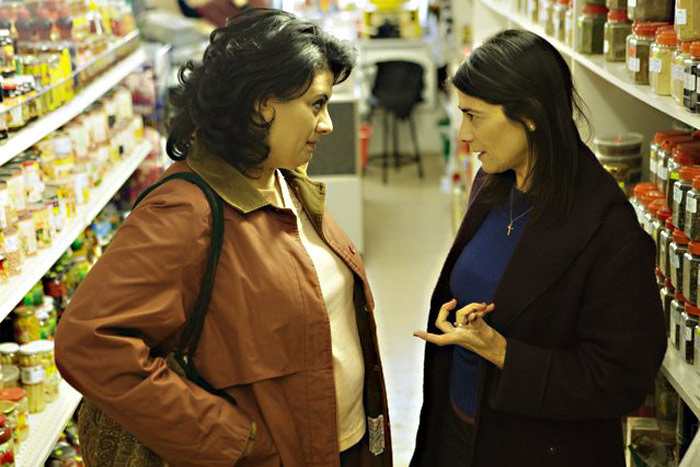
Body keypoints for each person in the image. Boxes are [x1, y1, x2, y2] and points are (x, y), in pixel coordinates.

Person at [55, 9, 391, 467]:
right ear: (259, 104)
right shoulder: (185, 212)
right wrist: (235, 441)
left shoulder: (282, 179)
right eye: (316, 104)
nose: (327, 122)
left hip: (340, 444)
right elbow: (90, 343)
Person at [411, 29, 666, 467]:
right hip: (457, 429)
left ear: (529, 114)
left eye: (475, 117)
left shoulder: (608, 230)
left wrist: (503, 353)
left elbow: (622, 380)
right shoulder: (493, 182)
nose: (464, 134)